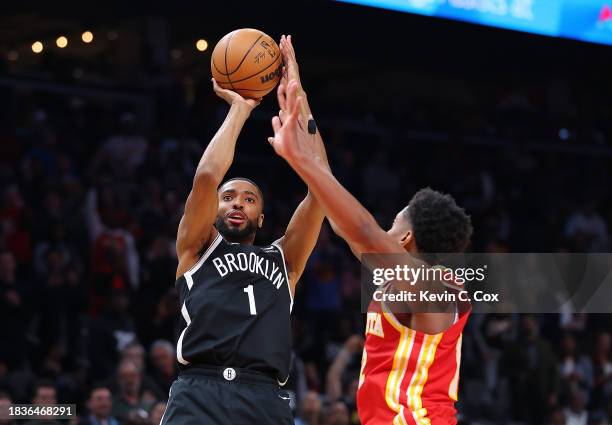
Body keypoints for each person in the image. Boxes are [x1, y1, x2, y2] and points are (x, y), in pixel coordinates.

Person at [268, 74, 474, 424]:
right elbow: (336, 209)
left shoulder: (432, 286)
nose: (386, 231)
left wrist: (297, 159)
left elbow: (362, 229)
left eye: (394, 224)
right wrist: (301, 102)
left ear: (406, 238)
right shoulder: (400, 280)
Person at [160, 35, 328, 425]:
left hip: (264, 396)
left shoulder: (284, 259)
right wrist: (241, 108)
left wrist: (297, 93)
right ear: (214, 209)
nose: (237, 203)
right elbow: (206, 175)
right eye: (229, 197)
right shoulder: (197, 247)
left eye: (249, 199)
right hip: (198, 391)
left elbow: (321, 189)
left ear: (263, 218)